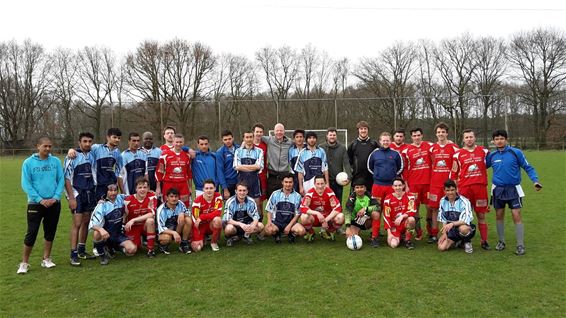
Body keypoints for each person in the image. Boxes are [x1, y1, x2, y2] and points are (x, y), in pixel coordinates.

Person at [486, 129, 541, 256]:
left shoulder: (516, 153)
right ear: (493, 141)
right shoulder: (492, 156)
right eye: (496, 139)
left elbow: (528, 167)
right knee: (499, 215)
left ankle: (520, 245)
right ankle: (501, 242)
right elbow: (480, 166)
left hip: (513, 189)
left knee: (516, 215)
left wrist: (535, 181)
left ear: (506, 139)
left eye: (501, 138)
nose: (499, 141)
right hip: (498, 189)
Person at [18, 137, 65, 274]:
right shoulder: (28, 163)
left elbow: (61, 180)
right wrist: (39, 199)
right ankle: (24, 263)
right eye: (45, 146)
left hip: (53, 203)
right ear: (37, 146)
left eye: (50, 146)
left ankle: (46, 259)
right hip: (35, 203)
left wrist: (55, 197)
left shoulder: (56, 161)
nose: (48, 149)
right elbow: (26, 184)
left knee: (50, 232)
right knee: (31, 233)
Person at [451, 129, 491, 250]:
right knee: (465, 216)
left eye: (471, 137)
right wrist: (455, 191)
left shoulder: (484, 151)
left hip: (480, 188)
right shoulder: (457, 154)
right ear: (463, 139)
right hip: (464, 189)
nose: (469, 139)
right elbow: (453, 174)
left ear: (475, 138)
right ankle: (466, 240)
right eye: (467, 137)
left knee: (481, 215)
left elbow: (489, 164)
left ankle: (484, 241)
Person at [64, 132, 96, 266]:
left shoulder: (92, 154)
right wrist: (71, 197)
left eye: (89, 141)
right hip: (77, 194)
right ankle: (73, 253)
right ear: (79, 142)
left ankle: (82, 250)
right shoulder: (72, 157)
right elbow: (66, 178)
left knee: (86, 222)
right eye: (85, 141)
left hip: (90, 193)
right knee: (77, 223)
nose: (87, 144)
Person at [367, 132, 403, 246]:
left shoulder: (396, 154)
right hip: (377, 186)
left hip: (391, 187)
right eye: (383, 140)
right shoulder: (374, 153)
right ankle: (375, 236)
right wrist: (378, 175)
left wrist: (391, 177)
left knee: (392, 211)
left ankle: (394, 234)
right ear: (380, 141)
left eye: (387, 140)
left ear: (390, 141)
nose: (385, 142)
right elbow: (370, 167)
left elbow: (400, 168)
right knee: (376, 211)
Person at [67, 128, 123, 200]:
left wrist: (116, 184)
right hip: (98, 186)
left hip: (111, 186)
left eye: (119, 138)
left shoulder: (118, 152)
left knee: (110, 209)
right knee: (97, 208)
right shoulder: (97, 147)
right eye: (114, 137)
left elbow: (118, 171)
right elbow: (84, 149)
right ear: (108, 137)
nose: (117, 140)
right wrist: (72, 150)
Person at [89, 184, 138, 265]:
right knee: (97, 232)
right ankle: (102, 255)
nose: (113, 193)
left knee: (132, 250)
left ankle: (113, 248)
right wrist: (101, 229)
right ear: (106, 192)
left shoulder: (121, 198)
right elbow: (92, 223)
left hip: (118, 233)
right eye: (110, 190)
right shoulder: (102, 204)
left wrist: (149, 193)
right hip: (106, 234)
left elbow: (135, 196)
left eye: (115, 190)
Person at [428, 122, 459, 243]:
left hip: (449, 184)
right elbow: (430, 164)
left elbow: (457, 165)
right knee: (434, 209)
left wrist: (455, 182)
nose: (441, 134)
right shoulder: (432, 148)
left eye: (443, 132)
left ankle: (449, 233)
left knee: (450, 208)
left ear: (447, 133)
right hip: (435, 183)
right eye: (439, 132)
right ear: (436, 134)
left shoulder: (454, 147)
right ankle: (435, 233)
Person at [401, 128, 433, 240]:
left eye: (418, 135)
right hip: (413, 184)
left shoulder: (430, 146)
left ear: (422, 135)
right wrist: (406, 184)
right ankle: (419, 232)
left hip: (428, 183)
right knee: (415, 208)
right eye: (414, 136)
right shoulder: (406, 150)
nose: (417, 137)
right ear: (411, 137)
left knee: (430, 207)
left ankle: (431, 233)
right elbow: (404, 169)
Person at [262, 174, 305, 244]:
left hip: (290, 222)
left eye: (290, 182)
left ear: (293, 183)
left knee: (301, 231)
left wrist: (289, 226)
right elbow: (269, 209)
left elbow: (298, 214)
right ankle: (276, 234)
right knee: (268, 230)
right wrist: (269, 222)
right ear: (282, 182)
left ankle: (292, 235)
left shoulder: (297, 196)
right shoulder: (275, 194)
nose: (288, 184)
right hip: (277, 222)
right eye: (286, 182)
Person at [299, 175, 344, 242]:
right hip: (315, 218)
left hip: (327, 218)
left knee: (341, 217)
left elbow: (338, 208)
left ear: (325, 183)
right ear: (314, 184)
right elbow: (303, 208)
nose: (320, 186)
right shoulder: (310, 192)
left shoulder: (329, 192)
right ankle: (311, 232)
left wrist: (326, 220)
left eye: (322, 183)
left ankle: (330, 230)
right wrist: (317, 213)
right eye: (318, 184)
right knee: (303, 217)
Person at [437, 179, 476, 254]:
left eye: (452, 190)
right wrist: (444, 234)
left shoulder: (464, 201)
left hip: (464, 227)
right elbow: (443, 219)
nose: (450, 192)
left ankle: (467, 242)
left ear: (456, 189)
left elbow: (465, 220)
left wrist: (452, 224)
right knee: (441, 247)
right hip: (451, 229)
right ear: (444, 191)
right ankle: (457, 241)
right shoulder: (442, 201)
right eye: (447, 190)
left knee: (463, 229)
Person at [155, 133, 192, 207]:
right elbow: (159, 172)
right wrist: (158, 187)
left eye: (180, 142)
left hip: (183, 185)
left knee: (184, 206)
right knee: (168, 206)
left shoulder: (187, 156)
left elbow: (189, 173)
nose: (178, 144)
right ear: (173, 142)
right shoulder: (165, 155)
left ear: (183, 143)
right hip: (169, 184)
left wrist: (190, 187)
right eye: (177, 142)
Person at [123, 178, 157, 258]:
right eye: (140, 187)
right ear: (136, 189)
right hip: (133, 227)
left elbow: (151, 214)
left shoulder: (152, 197)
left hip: (145, 225)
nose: (142, 190)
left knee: (150, 221)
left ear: (148, 188)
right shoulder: (128, 200)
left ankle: (150, 250)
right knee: (130, 252)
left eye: (145, 187)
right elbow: (123, 216)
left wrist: (133, 219)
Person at [234, 131, 264, 215]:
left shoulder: (259, 151)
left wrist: (243, 167)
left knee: (257, 203)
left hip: (254, 179)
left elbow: (259, 166)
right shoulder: (238, 151)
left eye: (251, 137)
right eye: (247, 137)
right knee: (242, 202)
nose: (249, 139)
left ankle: (257, 223)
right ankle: (243, 222)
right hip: (242, 179)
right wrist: (253, 167)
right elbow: (237, 166)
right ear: (243, 139)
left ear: (253, 138)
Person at [320, 127, 352, 205]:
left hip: (338, 181)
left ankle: (338, 217)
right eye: (330, 135)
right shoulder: (321, 147)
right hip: (324, 181)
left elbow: (346, 163)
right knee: (325, 203)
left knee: (337, 203)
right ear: (327, 136)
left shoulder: (342, 148)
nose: (332, 137)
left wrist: (349, 176)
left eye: (334, 135)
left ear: (336, 136)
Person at [156, 188, 193, 254]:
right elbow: (161, 228)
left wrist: (183, 214)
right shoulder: (161, 210)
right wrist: (174, 233)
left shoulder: (180, 204)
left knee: (188, 220)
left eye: (176, 196)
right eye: (171, 196)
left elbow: (189, 214)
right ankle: (162, 245)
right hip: (166, 231)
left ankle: (184, 243)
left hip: (177, 228)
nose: (174, 199)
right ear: (167, 198)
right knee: (166, 238)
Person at [382, 178, 417, 249]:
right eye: (395, 186)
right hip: (394, 226)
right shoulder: (388, 199)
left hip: (405, 223)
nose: (397, 188)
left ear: (403, 186)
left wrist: (402, 217)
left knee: (411, 219)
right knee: (393, 245)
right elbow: (386, 216)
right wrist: (389, 233)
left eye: (400, 185)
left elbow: (412, 210)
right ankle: (400, 236)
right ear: (392, 187)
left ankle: (407, 240)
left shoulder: (410, 196)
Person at [191, 179, 223, 252]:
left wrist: (202, 217)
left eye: (211, 188)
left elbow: (217, 213)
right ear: (203, 189)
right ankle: (203, 237)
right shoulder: (197, 202)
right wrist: (197, 237)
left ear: (215, 188)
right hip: (201, 226)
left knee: (218, 220)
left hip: (211, 224)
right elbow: (196, 221)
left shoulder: (218, 196)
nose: (209, 190)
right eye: (207, 188)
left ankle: (213, 242)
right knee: (197, 248)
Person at [262, 123, 293, 198]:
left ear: (284, 131)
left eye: (281, 130)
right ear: (274, 131)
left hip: (285, 175)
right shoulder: (269, 140)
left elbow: (300, 144)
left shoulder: (290, 142)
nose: (279, 132)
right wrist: (243, 143)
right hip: (272, 175)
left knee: (284, 199)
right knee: (271, 199)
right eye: (277, 130)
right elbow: (256, 136)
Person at [344, 179, 380, 244]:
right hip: (354, 221)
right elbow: (347, 212)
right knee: (352, 239)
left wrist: (365, 209)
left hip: (366, 221)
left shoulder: (369, 196)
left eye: (361, 187)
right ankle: (355, 230)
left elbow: (378, 207)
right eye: (357, 187)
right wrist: (348, 227)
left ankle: (375, 234)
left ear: (365, 188)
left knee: (376, 214)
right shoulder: (352, 198)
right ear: (354, 189)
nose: (359, 189)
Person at [295, 131, 329, 196]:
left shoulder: (321, 151)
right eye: (310, 138)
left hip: (319, 183)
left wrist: (327, 183)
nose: (312, 140)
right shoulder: (302, 153)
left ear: (316, 139)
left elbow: (325, 169)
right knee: (308, 203)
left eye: (313, 138)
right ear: (307, 140)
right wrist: (301, 186)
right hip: (307, 183)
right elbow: (300, 172)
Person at [348, 121, 379, 191]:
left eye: (365, 129)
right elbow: (349, 160)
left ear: (368, 130)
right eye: (361, 129)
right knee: (356, 199)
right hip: (357, 176)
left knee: (371, 199)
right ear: (358, 130)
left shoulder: (374, 143)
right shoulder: (353, 144)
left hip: (371, 176)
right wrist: (352, 171)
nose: (363, 131)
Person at [216, 129, 240, 199]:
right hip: (228, 184)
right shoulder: (220, 152)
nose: (228, 141)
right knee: (228, 207)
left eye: (229, 139)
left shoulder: (239, 148)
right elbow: (219, 171)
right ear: (222, 140)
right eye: (225, 139)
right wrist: (225, 189)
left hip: (239, 182)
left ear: (233, 138)